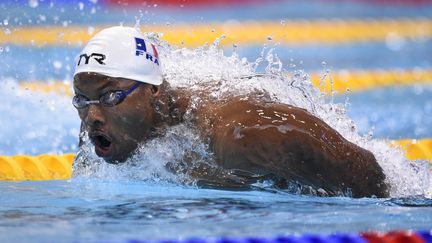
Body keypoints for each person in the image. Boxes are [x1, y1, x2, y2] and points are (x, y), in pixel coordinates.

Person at [72, 26, 388, 198]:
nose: (92, 117)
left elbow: (369, 177)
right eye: (82, 101)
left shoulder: (243, 137)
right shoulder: (110, 130)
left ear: (153, 90)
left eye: (111, 96)